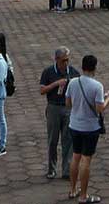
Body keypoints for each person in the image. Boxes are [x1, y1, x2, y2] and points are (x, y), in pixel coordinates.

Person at [65, 54, 109, 203]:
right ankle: (83, 195)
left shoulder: (73, 82)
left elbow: (68, 104)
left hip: (74, 124)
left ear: (82, 66)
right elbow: (100, 108)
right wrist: (108, 98)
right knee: (86, 160)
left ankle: (73, 190)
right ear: (95, 68)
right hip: (90, 128)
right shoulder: (97, 86)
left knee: (75, 157)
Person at [40, 46, 80, 180]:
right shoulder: (48, 72)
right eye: (63, 60)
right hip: (53, 108)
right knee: (52, 140)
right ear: (56, 59)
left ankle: (67, 170)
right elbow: (42, 90)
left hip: (68, 109)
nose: (66, 63)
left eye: (68, 60)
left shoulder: (73, 72)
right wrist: (56, 84)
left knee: (68, 140)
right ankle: (51, 169)